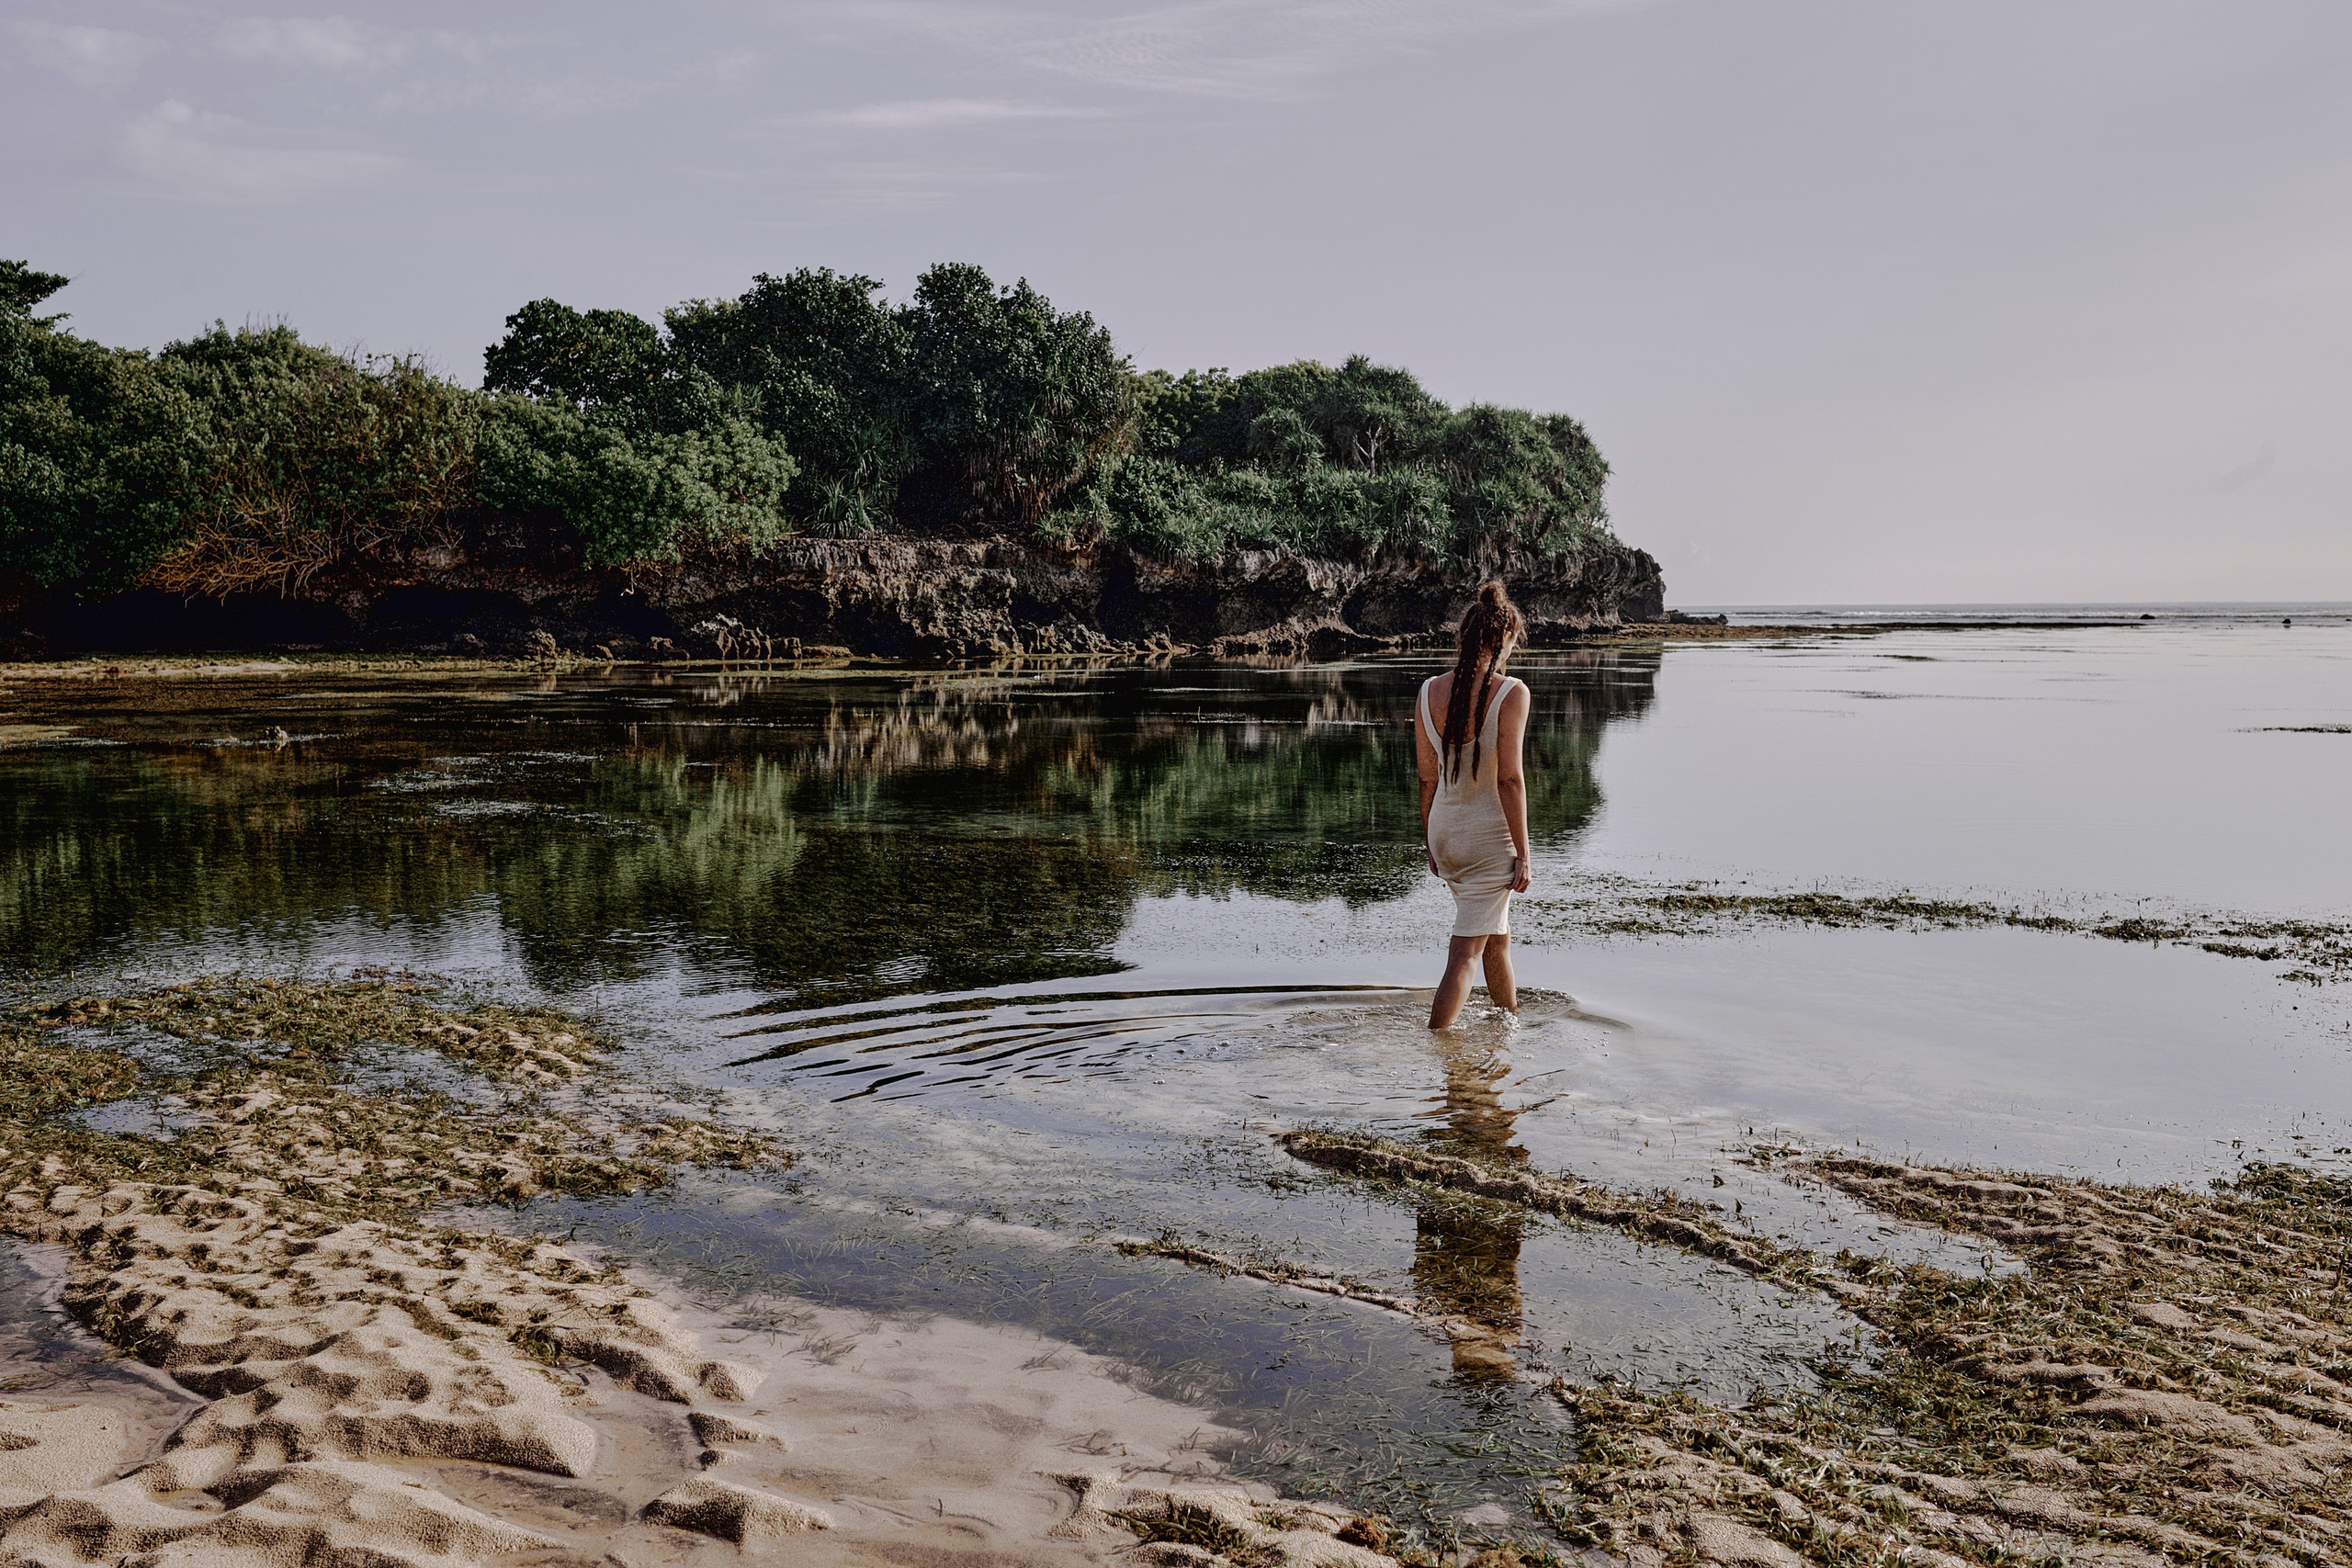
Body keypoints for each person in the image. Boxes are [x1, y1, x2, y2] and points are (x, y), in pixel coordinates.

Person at [1415, 581, 1532, 1030]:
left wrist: (1431, 842)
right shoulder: (1512, 692)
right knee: (1465, 953)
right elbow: (1509, 779)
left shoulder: (1428, 691)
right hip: (1488, 839)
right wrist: (1523, 853)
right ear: (1504, 639)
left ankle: (1508, 1026)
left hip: (1445, 832)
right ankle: (1437, 1046)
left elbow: (1428, 779)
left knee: (1495, 938)